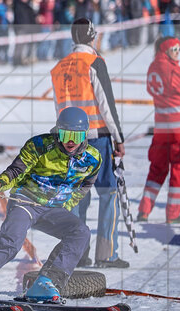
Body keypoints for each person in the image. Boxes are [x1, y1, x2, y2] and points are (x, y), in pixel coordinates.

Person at [0, 107, 98, 304]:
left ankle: (46, 283)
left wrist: (68, 203)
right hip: (25, 203)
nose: (70, 141)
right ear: (58, 131)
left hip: (54, 209)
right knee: (10, 244)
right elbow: (16, 171)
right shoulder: (40, 145)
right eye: (65, 134)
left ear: (85, 135)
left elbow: (86, 184)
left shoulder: (93, 158)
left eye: (77, 135)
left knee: (80, 232)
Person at [49, 17, 129, 268]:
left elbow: (58, 108)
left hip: (69, 141)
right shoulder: (95, 63)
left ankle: (77, 252)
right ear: (92, 37)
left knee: (76, 197)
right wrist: (119, 138)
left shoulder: (59, 67)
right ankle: (106, 254)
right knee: (109, 194)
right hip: (97, 138)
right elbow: (107, 106)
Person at [139, 37, 180, 223]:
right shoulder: (171, 69)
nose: (178, 52)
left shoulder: (153, 67)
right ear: (165, 51)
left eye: (179, 48)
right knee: (178, 171)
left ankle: (144, 210)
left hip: (161, 129)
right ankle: (172, 214)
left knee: (156, 169)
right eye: (174, 49)